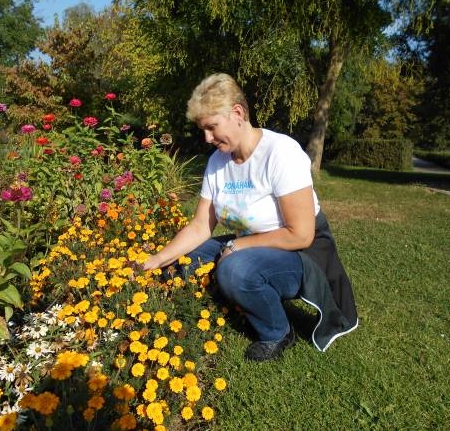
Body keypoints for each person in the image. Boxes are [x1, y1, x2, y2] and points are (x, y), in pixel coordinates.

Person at [143, 73, 358, 361]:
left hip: (302, 253)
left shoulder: (280, 153)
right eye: (202, 130)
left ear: (238, 113)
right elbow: (199, 226)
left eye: (212, 127)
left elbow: (301, 234)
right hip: (252, 243)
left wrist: (238, 247)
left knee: (235, 270)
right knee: (185, 260)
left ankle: (277, 331)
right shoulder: (217, 162)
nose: (207, 138)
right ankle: (226, 301)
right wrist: (158, 259)